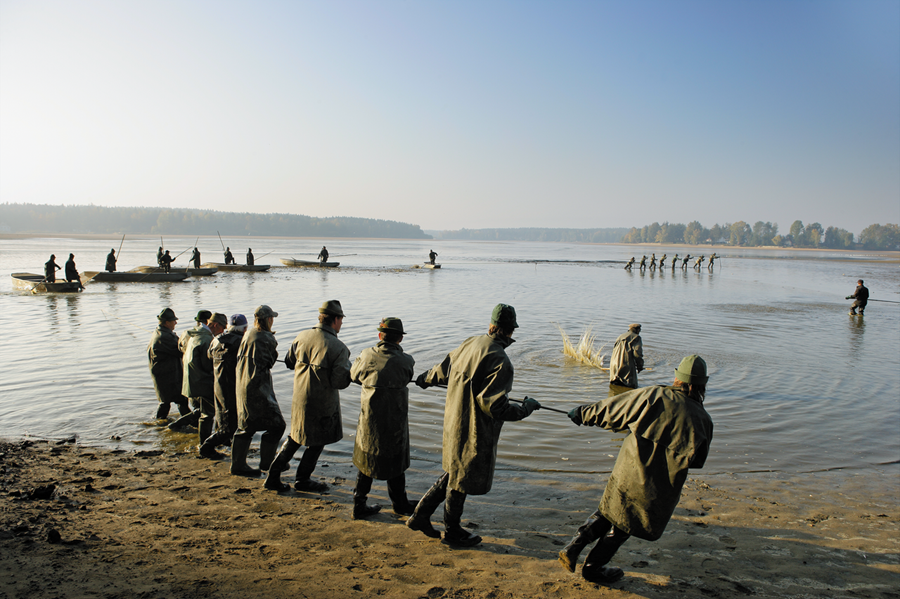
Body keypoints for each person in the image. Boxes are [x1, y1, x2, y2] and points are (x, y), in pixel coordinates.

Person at [560, 355, 714, 584]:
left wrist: (583, 413)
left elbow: (615, 409)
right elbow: (697, 461)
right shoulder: (704, 420)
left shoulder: (655, 395)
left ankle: (574, 547)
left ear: (677, 378)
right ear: (702, 385)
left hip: (627, 471)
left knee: (608, 510)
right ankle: (593, 567)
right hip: (657, 486)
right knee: (624, 526)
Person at [408, 304, 541, 547]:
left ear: (491, 326)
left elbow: (443, 370)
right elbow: (496, 408)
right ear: (509, 331)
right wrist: (526, 408)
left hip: (453, 424)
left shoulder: (470, 343)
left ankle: (420, 515)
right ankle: (452, 530)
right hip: (474, 431)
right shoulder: (501, 361)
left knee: (455, 471)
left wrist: (424, 378)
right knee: (461, 476)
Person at [265, 300, 352, 493]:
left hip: (299, 398)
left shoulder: (302, 336)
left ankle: (273, 475)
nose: (342, 324)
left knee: (296, 436)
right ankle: (302, 480)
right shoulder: (339, 347)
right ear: (335, 320)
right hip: (321, 403)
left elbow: (289, 361)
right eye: (341, 320)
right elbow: (340, 382)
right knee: (317, 441)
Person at [348, 317, 417, 519]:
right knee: (396, 462)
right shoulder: (406, 361)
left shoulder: (365, 355)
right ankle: (400, 504)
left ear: (380, 335)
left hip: (369, 420)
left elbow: (353, 375)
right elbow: (406, 376)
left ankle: (359, 503)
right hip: (394, 422)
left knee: (365, 460)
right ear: (400, 339)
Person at [231, 305, 286, 477]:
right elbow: (269, 362)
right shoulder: (267, 338)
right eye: (272, 318)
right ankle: (267, 462)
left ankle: (238, 464)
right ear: (269, 319)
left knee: (245, 425)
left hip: (242, 384)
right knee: (278, 426)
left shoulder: (248, 334)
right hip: (257, 388)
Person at [199, 314, 248, 459]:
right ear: (244, 329)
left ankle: (227, 443)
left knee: (224, 419)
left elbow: (209, 356)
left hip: (218, 386)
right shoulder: (242, 343)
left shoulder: (216, 340)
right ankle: (206, 448)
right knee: (229, 426)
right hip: (233, 387)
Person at [178, 310, 224, 445]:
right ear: (215, 325)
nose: (224, 330)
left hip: (192, 380)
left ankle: (178, 426)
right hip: (202, 382)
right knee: (207, 414)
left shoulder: (193, 334)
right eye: (223, 326)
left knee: (203, 412)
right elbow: (208, 365)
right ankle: (205, 445)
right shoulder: (206, 339)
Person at [147, 308, 190, 420]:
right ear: (166, 322)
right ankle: (191, 423)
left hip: (164, 375)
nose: (175, 322)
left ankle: (160, 425)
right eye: (173, 320)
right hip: (168, 377)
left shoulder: (160, 332)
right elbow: (180, 351)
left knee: (166, 402)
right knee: (181, 400)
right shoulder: (164, 337)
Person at [608, 324, 643, 389]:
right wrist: (640, 366)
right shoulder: (636, 337)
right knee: (630, 388)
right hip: (625, 366)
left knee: (614, 387)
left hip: (613, 365)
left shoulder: (620, 336)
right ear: (637, 330)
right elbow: (637, 354)